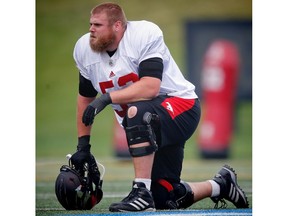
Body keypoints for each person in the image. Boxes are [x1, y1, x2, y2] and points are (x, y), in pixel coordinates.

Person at [70, 2, 249, 212]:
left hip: (181, 107)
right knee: (164, 196)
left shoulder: (143, 34)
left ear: (117, 26)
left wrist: (107, 98)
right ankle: (220, 185)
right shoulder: (84, 49)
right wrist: (83, 146)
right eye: (91, 24)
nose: (91, 30)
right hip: (147, 126)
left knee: (137, 111)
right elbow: (84, 98)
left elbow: (150, 87)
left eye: (98, 25)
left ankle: (141, 192)